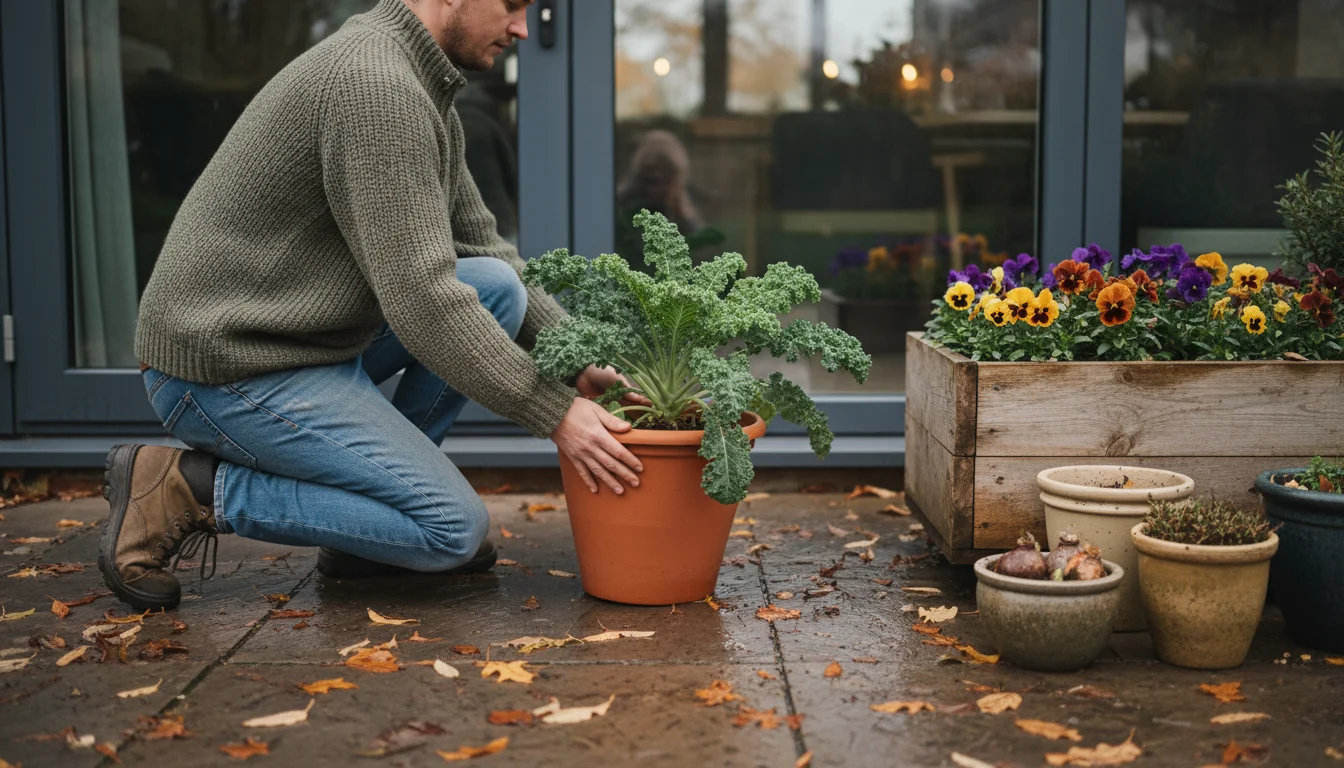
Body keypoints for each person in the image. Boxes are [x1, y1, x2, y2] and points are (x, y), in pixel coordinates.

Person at [99, 0, 646, 611]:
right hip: (229, 369)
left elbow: (480, 247)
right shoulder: (376, 87)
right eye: (512, 4)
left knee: (494, 284)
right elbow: (423, 299)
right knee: (450, 530)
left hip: (298, 338)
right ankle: (191, 490)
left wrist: (579, 362)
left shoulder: (418, 80)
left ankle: (372, 529)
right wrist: (555, 411)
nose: (522, 28)